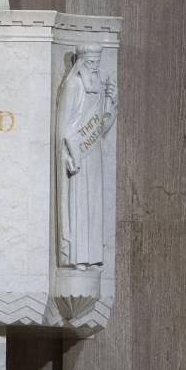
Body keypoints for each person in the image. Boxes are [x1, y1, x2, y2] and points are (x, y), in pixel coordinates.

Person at [56, 46, 118, 269]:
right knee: (79, 204)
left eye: (97, 64)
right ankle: (77, 256)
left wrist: (111, 102)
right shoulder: (73, 85)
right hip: (77, 155)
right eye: (91, 63)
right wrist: (72, 155)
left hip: (94, 155)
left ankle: (92, 256)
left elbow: (101, 129)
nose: (95, 68)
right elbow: (64, 128)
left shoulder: (98, 88)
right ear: (81, 64)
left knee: (93, 204)